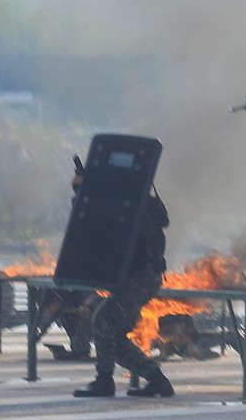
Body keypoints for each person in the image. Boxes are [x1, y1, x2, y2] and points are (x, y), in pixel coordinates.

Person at [71, 163, 173, 400]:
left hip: (143, 276)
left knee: (103, 321)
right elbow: (92, 223)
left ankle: (104, 380)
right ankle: (157, 380)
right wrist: (82, 192)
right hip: (136, 276)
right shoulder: (128, 202)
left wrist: (88, 191)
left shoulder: (138, 204)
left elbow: (110, 221)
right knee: (111, 336)